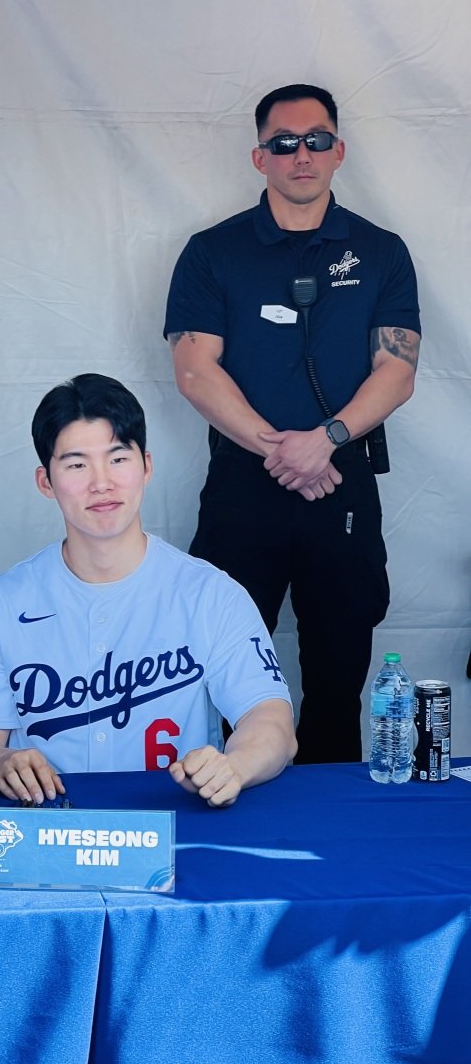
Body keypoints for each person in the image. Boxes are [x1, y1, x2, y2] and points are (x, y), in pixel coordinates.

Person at [164, 83, 421, 764]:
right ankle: (227, 795)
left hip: (343, 484)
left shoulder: (381, 251)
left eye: (315, 140)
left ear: (339, 151)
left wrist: (325, 441)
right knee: (222, 669)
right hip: (244, 487)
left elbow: (396, 370)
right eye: (283, 143)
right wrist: (283, 451)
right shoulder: (213, 252)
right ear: (260, 157)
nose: (300, 154)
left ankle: (329, 818)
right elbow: (194, 371)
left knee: (338, 674)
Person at [0, 373, 296, 808]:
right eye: (76, 465)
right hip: (46, 823)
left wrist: (235, 766)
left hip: (174, 818)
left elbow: (271, 721)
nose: (101, 483)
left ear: (146, 466)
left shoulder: (211, 594)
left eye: (117, 458)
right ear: (45, 482)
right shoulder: (0, 603)